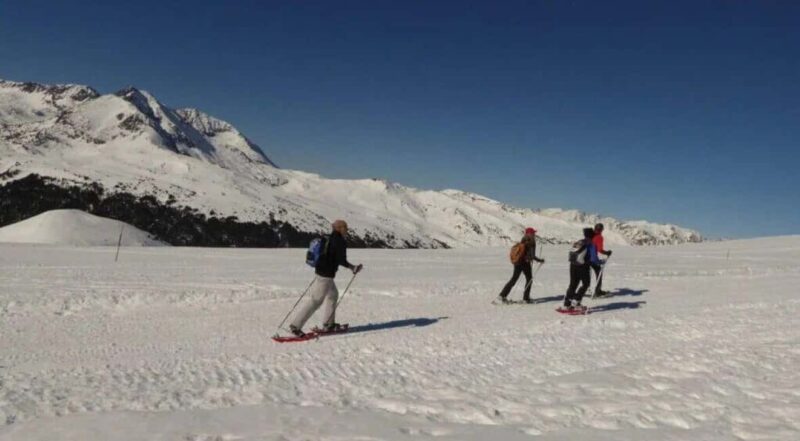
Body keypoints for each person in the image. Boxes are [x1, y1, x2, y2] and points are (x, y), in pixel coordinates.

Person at [290, 220, 363, 337]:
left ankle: (329, 323)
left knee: (333, 295)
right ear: (341, 229)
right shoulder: (340, 241)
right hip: (326, 274)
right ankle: (296, 326)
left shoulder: (327, 237)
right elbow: (341, 260)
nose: (347, 231)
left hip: (321, 271)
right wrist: (353, 267)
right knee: (316, 300)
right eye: (346, 228)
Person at [496, 227, 545, 304]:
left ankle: (501, 296)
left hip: (518, 262)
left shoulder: (523, 239)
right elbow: (532, 256)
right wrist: (540, 260)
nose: (534, 234)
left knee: (514, 279)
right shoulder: (532, 241)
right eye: (533, 233)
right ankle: (526, 298)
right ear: (531, 233)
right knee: (529, 279)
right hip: (525, 263)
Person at [564, 228, 602, 310]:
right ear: (592, 236)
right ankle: (576, 301)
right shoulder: (591, 244)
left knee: (573, 284)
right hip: (583, 266)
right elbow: (593, 259)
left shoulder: (579, 242)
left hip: (573, 265)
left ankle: (567, 303)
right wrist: (599, 262)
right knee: (586, 284)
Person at [592, 223, 613, 296]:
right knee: (598, 271)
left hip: (584, 258)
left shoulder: (590, 235)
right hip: (592, 259)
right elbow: (600, 249)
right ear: (601, 230)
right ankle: (598, 291)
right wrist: (607, 252)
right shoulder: (599, 237)